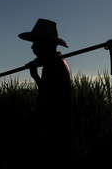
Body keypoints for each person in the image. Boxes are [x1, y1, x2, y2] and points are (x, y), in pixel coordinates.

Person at [19, 19, 72, 168]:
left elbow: (49, 97)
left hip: (54, 133)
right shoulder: (57, 61)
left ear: (45, 44)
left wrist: (35, 76)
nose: (32, 47)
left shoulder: (53, 66)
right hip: (59, 132)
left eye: (35, 42)